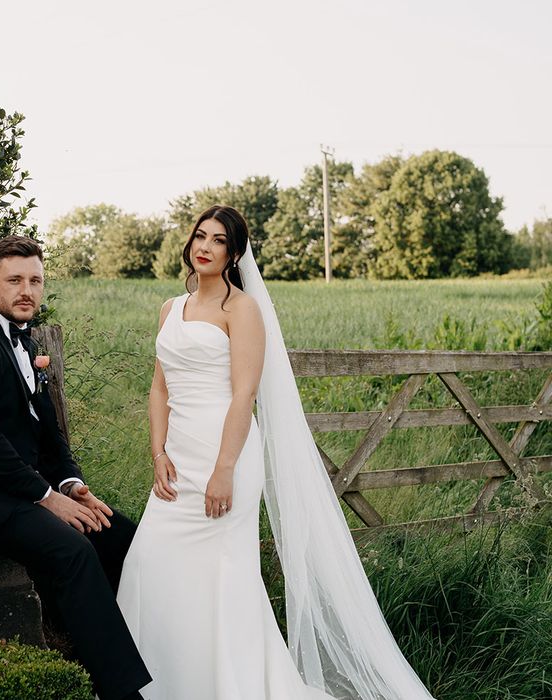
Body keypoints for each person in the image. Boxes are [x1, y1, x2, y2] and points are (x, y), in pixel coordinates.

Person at [116, 206, 436, 700]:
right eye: (199, 236)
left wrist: (224, 471)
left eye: (218, 240)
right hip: (177, 463)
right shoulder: (169, 308)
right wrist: (157, 453)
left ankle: (230, 685)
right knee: (148, 565)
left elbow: (244, 394)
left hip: (225, 458)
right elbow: (159, 388)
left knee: (222, 581)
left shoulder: (240, 309)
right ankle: (163, 685)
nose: (204, 246)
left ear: (234, 252)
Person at [0, 234, 151, 700]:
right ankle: (121, 690)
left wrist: (72, 484)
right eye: (15, 280)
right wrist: (48, 499)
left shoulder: (22, 342)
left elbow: (50, 434)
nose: (27, 290)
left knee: (124, 537)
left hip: (18, 488)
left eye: (36, 281)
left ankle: (153, 654)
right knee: (73, 551)